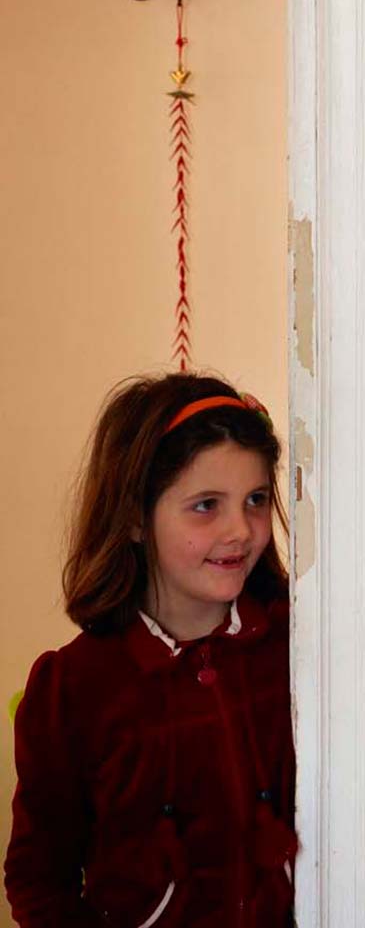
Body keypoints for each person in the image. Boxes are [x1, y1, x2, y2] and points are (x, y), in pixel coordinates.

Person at [5, 372, 296, 927]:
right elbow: (39, 878)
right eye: (206, 505)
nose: (241, 529)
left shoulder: (298, 647)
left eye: (256, 499)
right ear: (136, 518)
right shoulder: (72, 688)